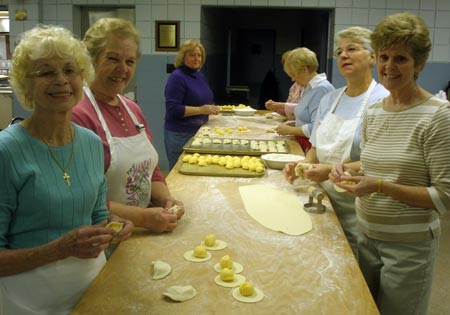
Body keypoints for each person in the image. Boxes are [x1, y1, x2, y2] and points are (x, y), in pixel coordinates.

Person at [0, 25, 133, 314]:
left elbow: (97, 215)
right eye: (46, 72)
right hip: (27, 300)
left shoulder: (90, 142)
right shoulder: (6, 151)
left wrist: (114, 225)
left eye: (70, 70)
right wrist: (60, 249)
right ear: (26, 84)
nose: (61, 80)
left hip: (92, 289)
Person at [329, 13, 450, 315]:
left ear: (419, 64)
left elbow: (443, 197)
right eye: (384, 56)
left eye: (401, 58)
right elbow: (370, 165)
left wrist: (381, 186)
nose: (389, 67)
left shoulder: (437, 116)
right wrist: (346, 169)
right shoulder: (374, 112)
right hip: (365, 236)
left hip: (408, 248)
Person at [72, 18, 184, 234]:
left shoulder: (132, 109)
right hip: (104, 237)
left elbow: (151, 173)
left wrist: (166, 200)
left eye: (130, 61)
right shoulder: (78, 115)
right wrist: (144, 217)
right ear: (90, 61)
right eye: (113, 59)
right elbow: (84, 199)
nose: (122, 69)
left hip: (143, 230)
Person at [284, 27, 389, 255]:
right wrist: (303, 166)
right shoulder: (331, 99)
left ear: (373, 56)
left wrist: (328, 170)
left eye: (351, 49)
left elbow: (381, 162)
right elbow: (316, 145)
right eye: (339, 51)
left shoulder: (383, 101)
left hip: (358, 205)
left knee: (351, 264)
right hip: (320, 197)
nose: (343, 55)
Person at [164, 39, 220, 169]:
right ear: (183, 57)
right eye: (192, 55)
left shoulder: (199, 76)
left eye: (199, 55)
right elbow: (173, 109)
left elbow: (205, 98)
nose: (196, 59)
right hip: (180, 135)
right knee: (181, 172)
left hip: (199, 132)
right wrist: (202, 110)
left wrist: (213, 107)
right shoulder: (177, 77)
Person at [273, 47, 334, 153]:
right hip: (302, 142)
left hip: (313, 149)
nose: (292, 79)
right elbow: (307, 117)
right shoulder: (309, 87)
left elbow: (319, 128)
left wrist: (290, 130)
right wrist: (294, 123)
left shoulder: (321, 89)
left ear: (304, 70)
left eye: (293, 75)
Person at [265, 50, 304, 119]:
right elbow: (287, 111)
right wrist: (275, 107)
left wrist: (281, 105)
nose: (292, 79)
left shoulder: (314, 87)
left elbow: (304, 109)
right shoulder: (294, 86)